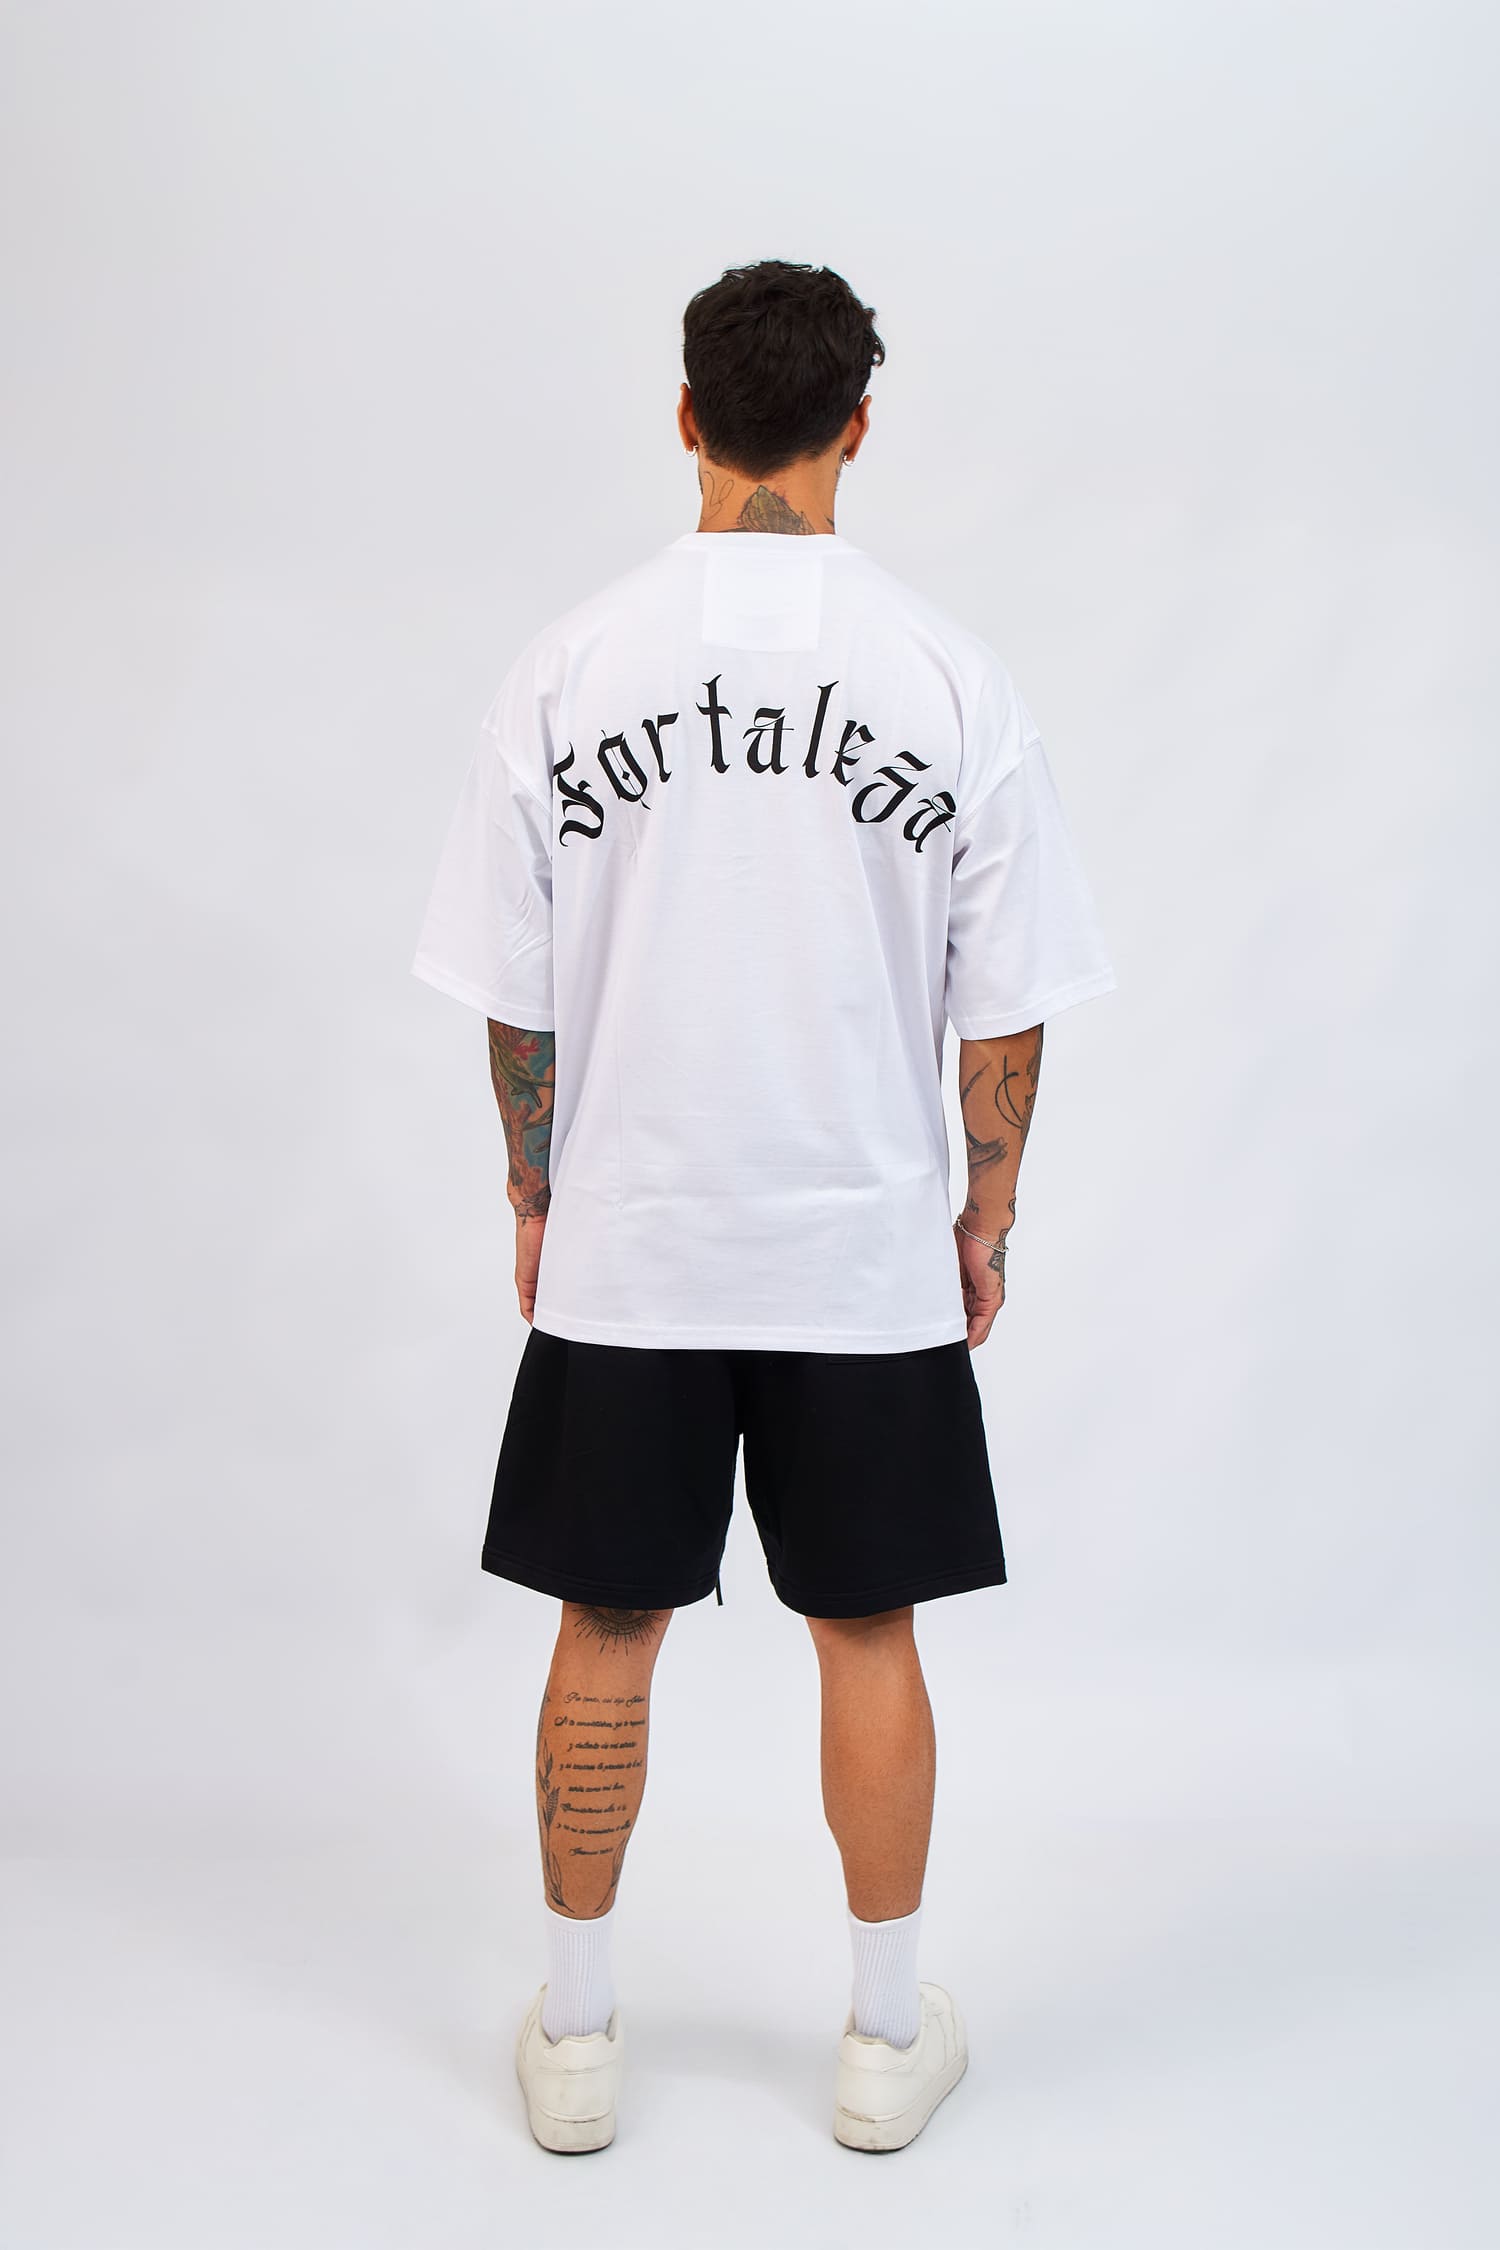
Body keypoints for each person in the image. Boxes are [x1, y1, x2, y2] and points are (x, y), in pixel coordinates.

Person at [409, 259, 1118, 2154]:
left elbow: (515, 994)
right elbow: (1007, 1006)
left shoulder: (567, 668)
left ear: (687, 417)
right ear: (857, 426)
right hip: (861, 1251)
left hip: (631, 1242)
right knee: (867, 1629)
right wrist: (985, 1217)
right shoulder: (950, 678)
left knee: (606, 1623)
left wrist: (535, 1185)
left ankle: (576, 2037)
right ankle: (885, 2039)